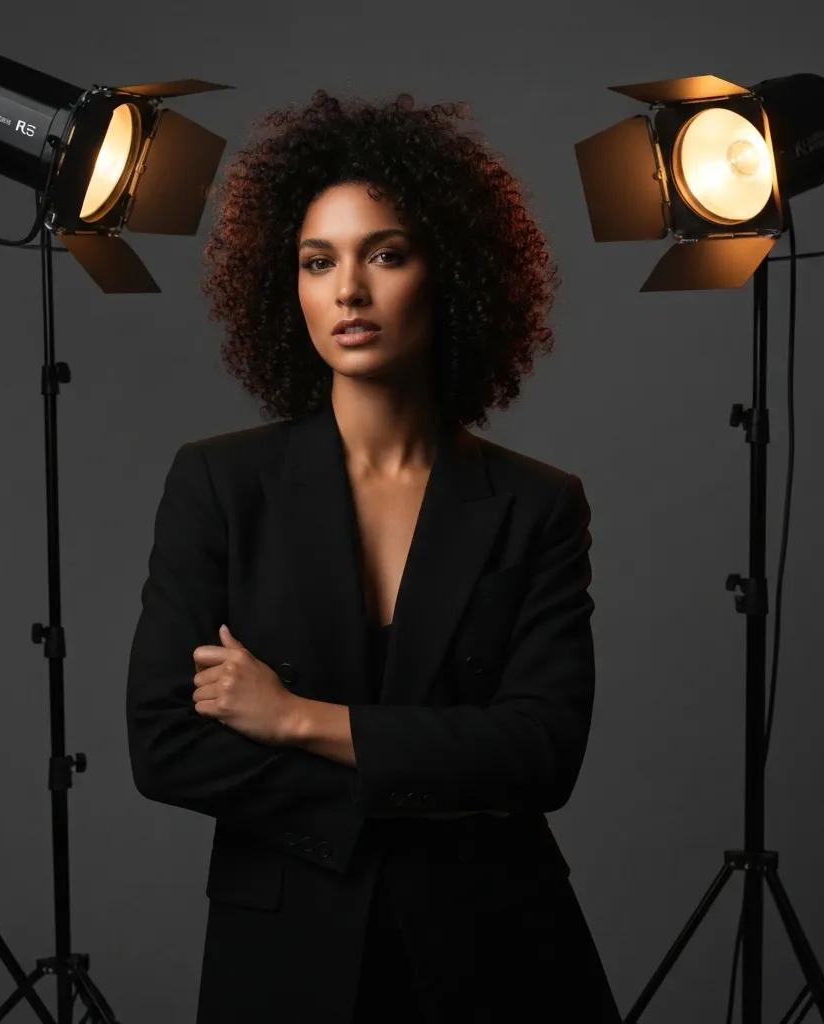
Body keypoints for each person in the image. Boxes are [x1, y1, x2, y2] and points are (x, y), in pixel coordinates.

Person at [126, 88, 621, 1024]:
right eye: (318, 262)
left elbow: (541, 753)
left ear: (452, 272)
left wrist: (294, 718)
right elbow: (166, 744)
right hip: (285, 955)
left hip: (499, 952)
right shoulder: (220, 485)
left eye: (385, 255)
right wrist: (423, 787)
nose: (348, 291)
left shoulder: (538, 505)